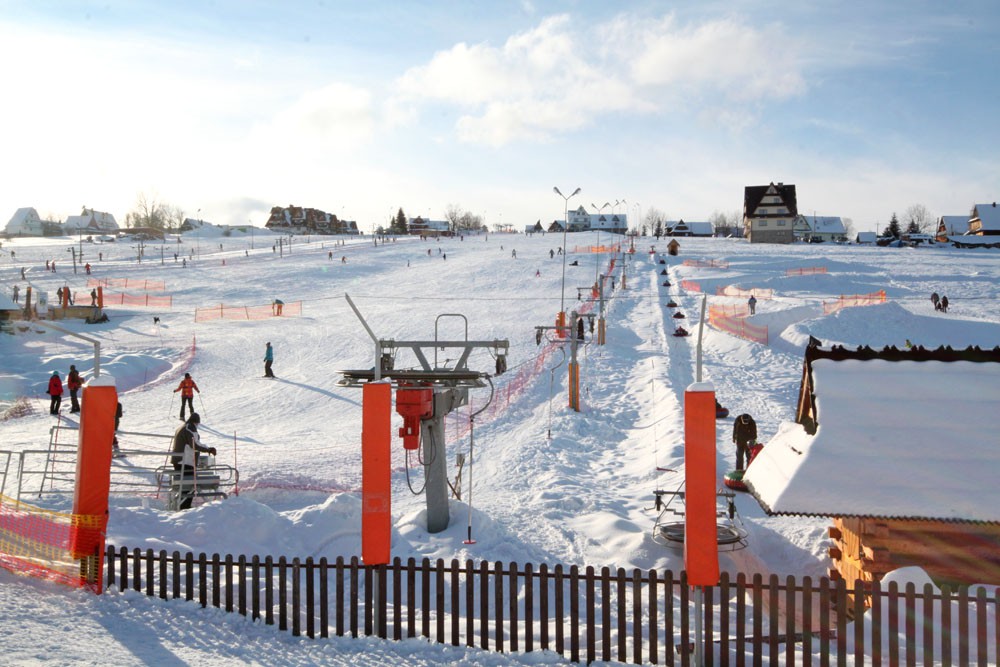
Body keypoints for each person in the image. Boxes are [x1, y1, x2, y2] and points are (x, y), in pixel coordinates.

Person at [170, 413, 216, 510]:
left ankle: (182, 507)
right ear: (196, 422)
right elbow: (195, 444)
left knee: (184, 486)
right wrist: (208, 450)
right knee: (188, 486)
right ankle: (185, 508)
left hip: (179, 460)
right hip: (185, 461)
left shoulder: (183, 427)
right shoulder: (190, 428)